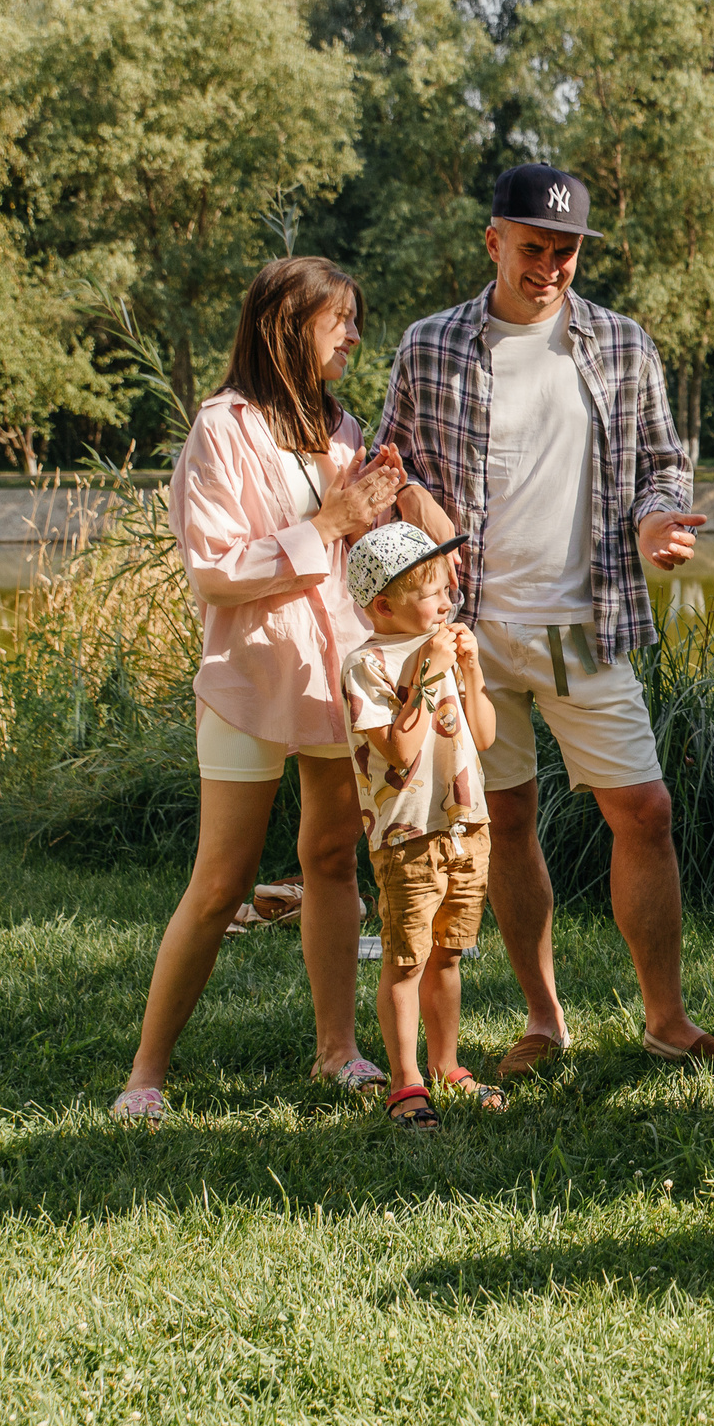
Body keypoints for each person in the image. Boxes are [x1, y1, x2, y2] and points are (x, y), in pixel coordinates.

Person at [378, 163, 714, 1080]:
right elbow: (388, 465)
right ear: (494, 241)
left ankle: (667, 1019)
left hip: (583, 623)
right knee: (504, 817)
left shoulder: (622, 345)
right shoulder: (429, 345)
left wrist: (660, 518)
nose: (549, 266)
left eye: (567, 251)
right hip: (466, 631)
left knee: (645, 809)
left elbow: (664, 465)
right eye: (534, 247)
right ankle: (545, 1020)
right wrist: (418, 498)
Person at [113, 255, 428, 1121]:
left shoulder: (344, 428)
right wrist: (327, 518)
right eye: (343, 321)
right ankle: (144, 1076)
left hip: (335, 674)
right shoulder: (222, 428)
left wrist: (381, 507)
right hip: (252, 676)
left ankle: (339, 1053)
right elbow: (215, 572)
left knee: (332, 858)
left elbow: (357, 559)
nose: (356, 336)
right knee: (220, 881)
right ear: (288, 326)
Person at [339, 524, 501, 1129]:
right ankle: (406, 1080)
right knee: (407, 959)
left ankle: (448, 1063)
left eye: (445, 588)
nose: (446, 602)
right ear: (383, 605)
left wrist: (473, 673)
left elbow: (482, 735)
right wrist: (432, 668)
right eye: (431, 592)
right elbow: (401, 753)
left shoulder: (443, 647)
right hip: (408, 836)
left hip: (466, 825)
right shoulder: (367, 665)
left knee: (449, 955)